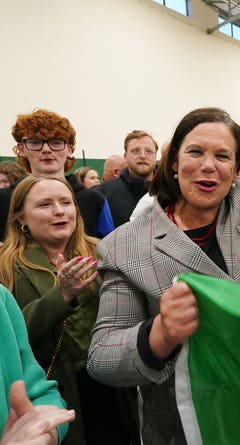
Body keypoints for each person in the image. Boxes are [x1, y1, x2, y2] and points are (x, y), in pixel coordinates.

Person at [87, 20, 240, 445]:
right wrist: (158, 335)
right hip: (187, 426)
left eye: (223, 156)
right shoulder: (124, 246)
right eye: (195, 152)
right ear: (173, 162)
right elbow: (101, 357)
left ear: (237, 169)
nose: (209, 165)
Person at [0, 177, 132, 445]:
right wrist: (61, 295)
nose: (59, 211)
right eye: (45, 205)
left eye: (66, 202)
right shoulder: (6, 266)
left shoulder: (103, 251)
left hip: (112, 388)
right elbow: (12, 339)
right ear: (21, 218)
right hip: (55, 392)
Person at [6, 109, 115, 240]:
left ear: (69, 149)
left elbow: (110, 249)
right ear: (21, 149)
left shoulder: (94, 200)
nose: (46, 150)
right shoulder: (5, 200)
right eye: (35, 142)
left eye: (56, 142)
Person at [0, 285, 74, 445]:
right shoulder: (11, 268)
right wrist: (59, 296)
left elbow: (39, 393)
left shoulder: (2, 299)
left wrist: (45, 431)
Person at [95, 130, 158, 227]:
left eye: (149, 151)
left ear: (155, 156)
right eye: (135, 151)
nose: (143, 156)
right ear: (125, 156)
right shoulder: (102, 194)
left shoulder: (171, 193)